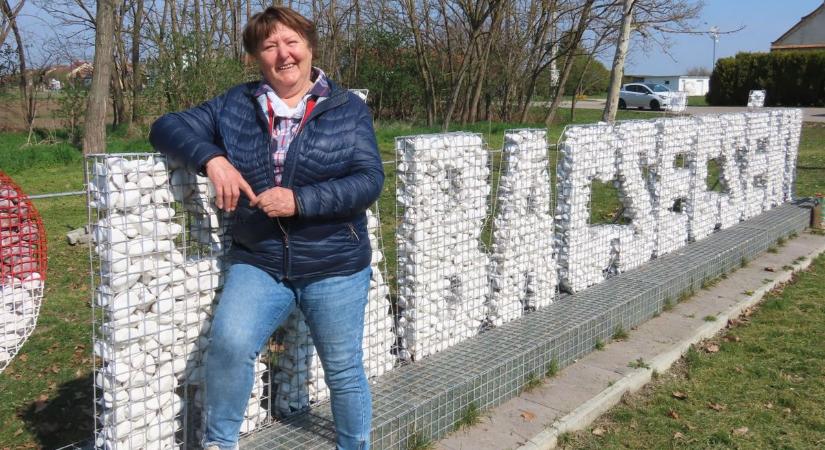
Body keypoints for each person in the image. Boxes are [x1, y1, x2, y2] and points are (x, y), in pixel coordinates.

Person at [149, 6, 384, 450]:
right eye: (269, 45)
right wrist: (211, 158)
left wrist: (300, 201)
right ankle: (220, 443)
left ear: (310, 47)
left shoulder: (347, 108)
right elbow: (166, 127)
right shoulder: (234, 106)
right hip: (260, 259)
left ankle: (355, 445)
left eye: (291, 42)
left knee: (343, 368)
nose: (283, 54)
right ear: (257, 56)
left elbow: (369, 180)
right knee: (230, 347)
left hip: (334, 261)